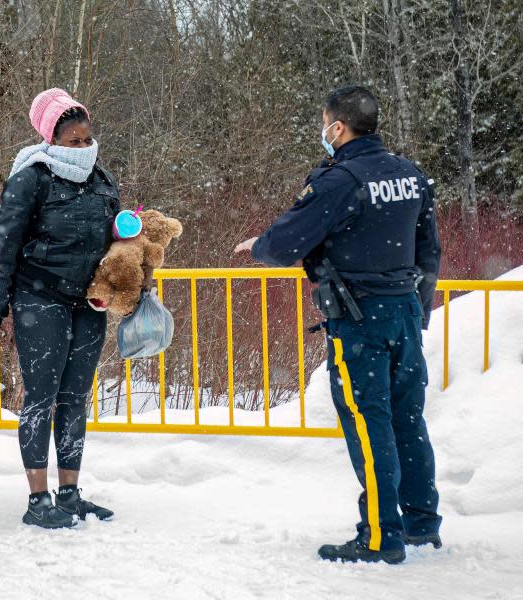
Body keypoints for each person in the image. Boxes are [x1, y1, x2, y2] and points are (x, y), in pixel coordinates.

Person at [235, 86, 442, 564]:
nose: (323, 131)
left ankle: (378, 536)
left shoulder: (340, 180)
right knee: (408, 418)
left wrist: (261, 247)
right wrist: (417, 309)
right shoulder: (410, 174)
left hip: (360, 319)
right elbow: (429, 251)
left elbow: (286, 244)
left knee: (370, 426)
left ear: (338, 127)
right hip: (405, 314)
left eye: (324, 122)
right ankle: (419, 522)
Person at [0, 88, 137, 528]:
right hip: (39, 298)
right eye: (74, 141)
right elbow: (5, 248)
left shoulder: (102, 180)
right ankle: (38, 500)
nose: (84, 148)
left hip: (88, 301)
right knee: (41, 398)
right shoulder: (31, 178)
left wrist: (128, 273)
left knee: (74, 398)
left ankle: (69, 493)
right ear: (51, 139)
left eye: (87, 139)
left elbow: (117, 242)